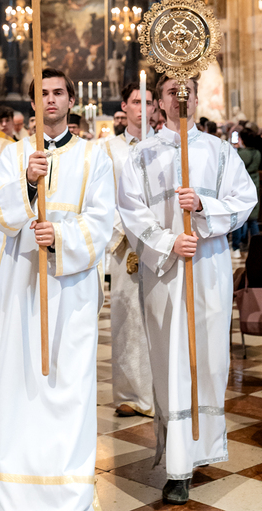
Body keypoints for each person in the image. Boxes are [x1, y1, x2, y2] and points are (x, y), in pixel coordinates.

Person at [118, 75, 257, 506]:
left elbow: (245, 200)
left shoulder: (220, 152)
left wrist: (203, 207)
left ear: (196, 99)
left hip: (209, 268)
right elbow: (131, 211)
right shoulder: (141, 155)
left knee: (209, 361)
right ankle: (177, 464)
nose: (180, 98)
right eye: (171, 92)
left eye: (187, 91)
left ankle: (201, 446)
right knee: (172, 361)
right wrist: (168, 242)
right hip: (165, 273)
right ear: (159, 102)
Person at [0, 68, 115, 511]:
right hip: (22, 286)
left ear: (71, 100)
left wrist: (59, 235)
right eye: (43, 93)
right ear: (33, 104)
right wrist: (26, 183)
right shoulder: (13, 155)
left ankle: (68, 491)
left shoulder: (94, 156)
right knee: (19, 384)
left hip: (71, 290)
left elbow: (103, 220)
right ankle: (15, 490)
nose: (51, 99)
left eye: (59, 92)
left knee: (68, 385)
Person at [104, 82, 155, 418]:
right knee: (127, 318)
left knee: (159, 316)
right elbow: (103, 196)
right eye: (137, 101)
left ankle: (160, 391)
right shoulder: (109, 149)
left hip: (161, 243)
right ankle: (130, 393)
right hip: (126, 245)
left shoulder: (166, 145)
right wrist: (125, 235)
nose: (143, 108)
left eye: (149, 102)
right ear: (125, 106)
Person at [231, 128, 261, 257]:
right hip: (255, 182)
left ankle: (236, 247)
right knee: (253, 220)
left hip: (242, 184)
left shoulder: (240, 153)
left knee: (239, 218)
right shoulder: (257, 153)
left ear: (242, 140)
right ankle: (257, 248)